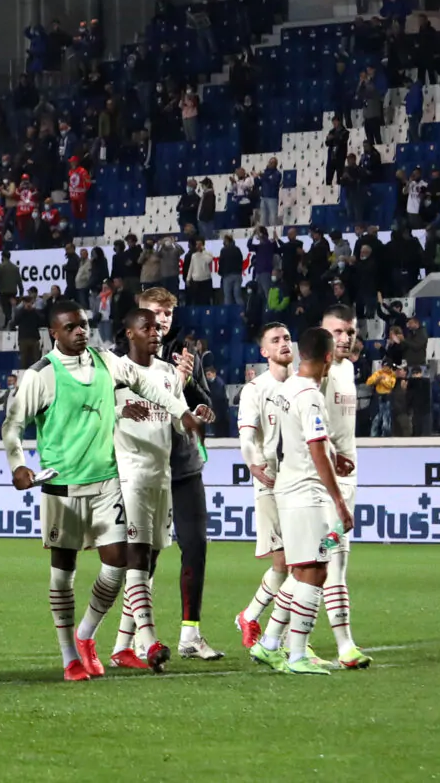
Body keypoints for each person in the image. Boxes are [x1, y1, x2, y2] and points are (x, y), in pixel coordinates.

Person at [2, 301, 190, 681]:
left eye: (84, 325)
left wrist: (178, 410)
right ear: (54, 333)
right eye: (71, 327)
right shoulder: (41, 375)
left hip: (106, 481)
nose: (81, 332)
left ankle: (86, 633)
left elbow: (143, 383)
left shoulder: (105, 361)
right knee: (63, 573)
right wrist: (18, 464)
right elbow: (12, 425)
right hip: (61, 486)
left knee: (117, 563)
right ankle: (69, 655)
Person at [253, 327, 352, 676]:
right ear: (328, 358)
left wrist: (332, 452)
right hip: (306, 494)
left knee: (302, 569)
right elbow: (313, 447)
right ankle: (297, 654)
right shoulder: (310, 394)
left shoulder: (287, 387)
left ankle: (268, 644)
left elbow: (299, 439)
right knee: (316, 570)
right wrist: (339, 501)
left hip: (287, 488)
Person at [106, 307, 194, 672]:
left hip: (161, 474)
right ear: (130, 333)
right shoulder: (112, 371)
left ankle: (122, 645)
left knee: (152, 558)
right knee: (138, 556)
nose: (156, 332)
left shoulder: (169, 374)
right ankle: (148, 638)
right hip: (130, 474)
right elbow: (92, 411)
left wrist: (197, 416)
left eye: (158, 327)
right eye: (147, 327)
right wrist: (120, 414)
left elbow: (178, 419)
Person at [140, 287, 225, 661]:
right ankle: (134, 638)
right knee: (146, 554)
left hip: (185, 466)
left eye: (168, 314)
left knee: (195, 546)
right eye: (156, 312)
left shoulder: (187, 355)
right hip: (145, 469)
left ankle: (190, 635)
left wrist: (193, 390)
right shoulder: (123, 358)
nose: (163, 320)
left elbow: (206, 403)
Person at [311, 306, 371, 668]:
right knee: (330, 562)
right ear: (323, 332)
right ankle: (345, 645)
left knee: (316, 565)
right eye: (339, 331)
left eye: (350, 331)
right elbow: (309, 425)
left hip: (347, 478)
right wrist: (331, 454)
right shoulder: (318, 373)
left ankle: (268, 631)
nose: (346, 337)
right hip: (322, 481)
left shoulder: (347, 369)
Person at [235, 324, 295, 656]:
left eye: (287, 338)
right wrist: (254, 464)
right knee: (287, 561)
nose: (284, 343)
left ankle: (251, 617)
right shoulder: (255, 389)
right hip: (271, 481)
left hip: (301, 483)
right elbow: (246, 435)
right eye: (276, 340)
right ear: (264, 352)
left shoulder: (303, 386)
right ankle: (280, 636)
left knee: (294, 564)